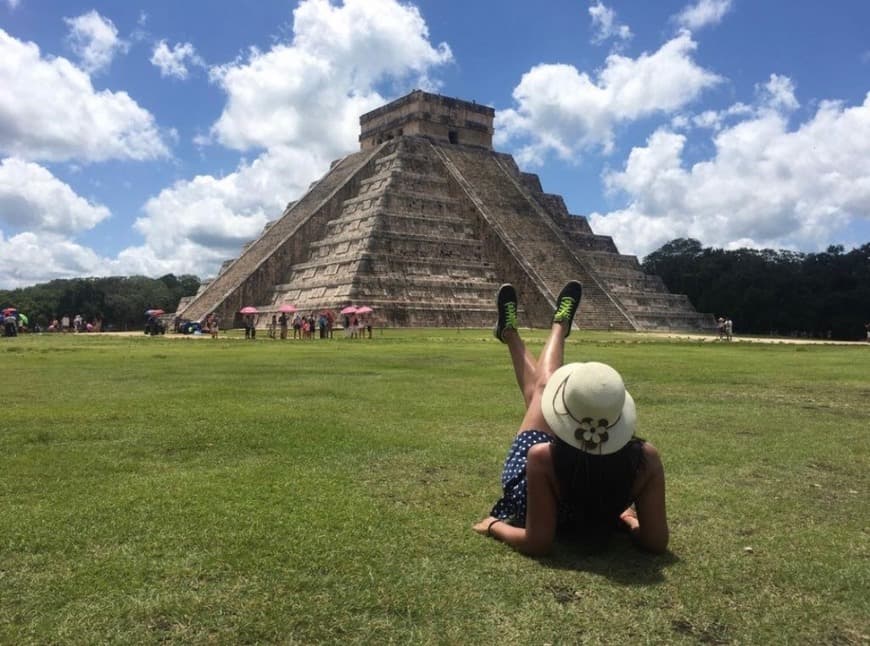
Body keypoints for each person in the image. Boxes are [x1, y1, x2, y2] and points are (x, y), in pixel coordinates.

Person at [473, 282, 669, 556]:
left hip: (538, 499)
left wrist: (494, 525)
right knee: (540, 390)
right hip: (595, 511)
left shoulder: (541, 456)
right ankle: (536, 329)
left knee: (542, 389)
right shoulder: (645, 458)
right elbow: (656, 542)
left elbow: (537, 541)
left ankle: (532, 330)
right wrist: (630, 519)